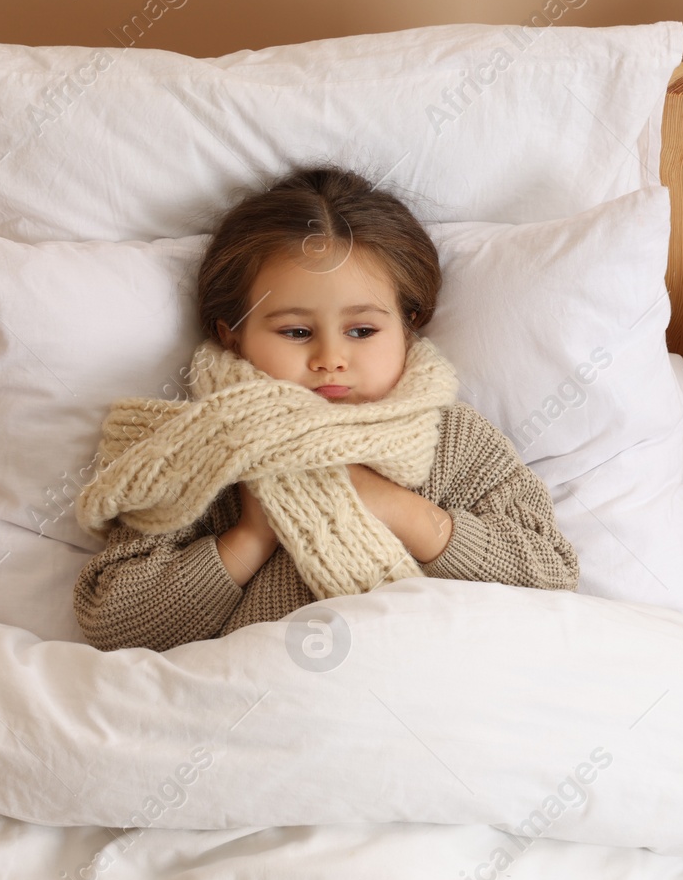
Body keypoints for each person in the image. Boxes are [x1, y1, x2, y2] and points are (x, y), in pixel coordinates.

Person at [72, 165, 579, 652]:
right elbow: (114, 623)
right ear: (233, 336)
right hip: (262, 700)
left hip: (425, 686)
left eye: (362, 331)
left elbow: (549, 573)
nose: (331, 359)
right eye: (296, 332)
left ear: (409, 325)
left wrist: (391, 505)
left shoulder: (454, 439)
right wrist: (252, 534)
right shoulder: (194, 452)